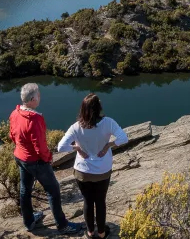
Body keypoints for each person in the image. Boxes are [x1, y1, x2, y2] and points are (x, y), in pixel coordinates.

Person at [9, 83, 83, 235]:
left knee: (25, 190)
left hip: (20, 157)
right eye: (39, 95)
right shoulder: (35, 119)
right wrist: (48, 158)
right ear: (33, 99)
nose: (40, 97)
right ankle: (63, 226)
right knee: (53, 191)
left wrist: (22, 149)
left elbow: (12, 135)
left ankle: (29, 222)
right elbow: (40, 146)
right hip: (36, 162)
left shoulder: (15, 113)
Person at [57, 93, 129, 239]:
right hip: (103, 171)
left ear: (82, 109)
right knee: (100, 201)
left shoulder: (76, 127)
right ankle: (102, 233)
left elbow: (60, 147)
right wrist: (109, 144)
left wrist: (77, 148)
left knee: (88, 201)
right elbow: (124, 138)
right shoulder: (108, 123)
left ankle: (90, 233)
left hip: (82, 171)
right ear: (99, 108)